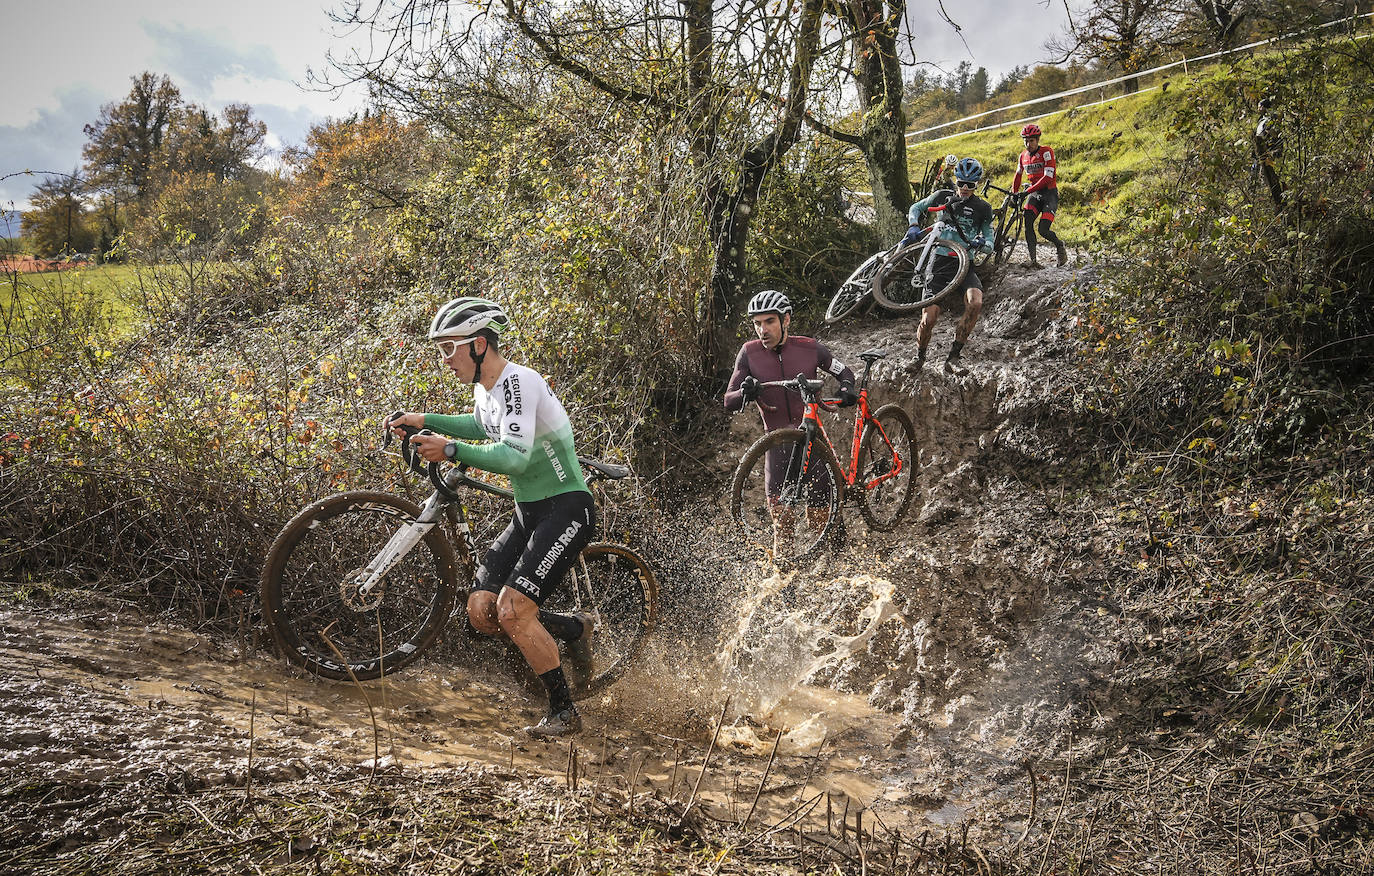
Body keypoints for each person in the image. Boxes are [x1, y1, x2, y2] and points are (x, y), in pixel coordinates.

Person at [388, 297, 595, 739]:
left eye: (449, 349)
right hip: (529, 511)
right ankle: (574, 630)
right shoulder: (488, 388)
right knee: (483, 612)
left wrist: (448, 449)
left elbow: (516, 458)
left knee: (513, 612)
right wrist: (423, 419)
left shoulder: (520, 382)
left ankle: (564, 712)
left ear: (479, 344)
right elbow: (482, 425)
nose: (444, 360)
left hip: (566, 506)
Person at [723, 290, 857, 557]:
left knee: (819, 521)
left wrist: (847, 387)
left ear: (786, 320)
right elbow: (729, 400)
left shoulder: (810, 347)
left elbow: (843, 371)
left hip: (813, 446)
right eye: (757, 323)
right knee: (782, 526)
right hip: (777, 447)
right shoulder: (749, 353)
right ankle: (786, 586)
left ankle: (833, 572)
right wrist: (745, 392)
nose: (763, 330)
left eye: (769, 321)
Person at [905, 157, 996, 374]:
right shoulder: (943, 197)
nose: (965, 188)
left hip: (965, 263)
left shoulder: (983, 208)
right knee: (929, 318)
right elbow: (916, 207)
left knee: (976, 303)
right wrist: (913, 225)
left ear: (977, 185)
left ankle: (954, 358)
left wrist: (983, 244)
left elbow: (990, 241)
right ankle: (919, 357)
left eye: (970, 185)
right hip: (939, 260)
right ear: (955, 181)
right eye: (961, 183)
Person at [1012, 123, 1068, 268]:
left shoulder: (1046, 152)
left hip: (1049, 193)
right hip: (1034, 193)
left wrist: (1027, 191)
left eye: (1031, 140)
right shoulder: (1023, 156)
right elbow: (1018, 175)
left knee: (1043, 230)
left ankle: (1059, 245)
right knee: (1027, 222)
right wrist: (1014, 193)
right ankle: (1033, 260)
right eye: (1026, 140)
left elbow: (1048, 178)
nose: (1028, 144)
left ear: (1037, 140)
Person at [1253, 96, 1285, 208]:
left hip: (1267, 151)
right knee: (1258, 172)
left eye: (1259, 106)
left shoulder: (1270, 119)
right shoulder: (1262, 119)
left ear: (1263, 107)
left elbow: (1273, 135)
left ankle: (1268, 196)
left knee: (1266, 173)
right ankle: (1262, 194)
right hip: (1261, 150)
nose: (1258, 108)